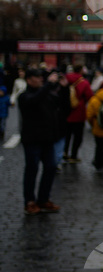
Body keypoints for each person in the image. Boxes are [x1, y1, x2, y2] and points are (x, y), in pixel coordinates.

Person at [18, 68, 62, 214]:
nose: (41, 79)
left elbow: (60, 104)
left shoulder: (46, 94)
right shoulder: (25, 96)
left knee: (50, 167)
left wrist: (63, 86)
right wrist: (48, 85)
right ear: (29, 79)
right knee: (32, 169)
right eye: (37, 77)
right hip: (32, 139)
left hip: (47, 139)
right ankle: (29, 201)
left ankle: (43, 199)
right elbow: (34, 100)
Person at [63, 71, 94, 163]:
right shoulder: (84, 82)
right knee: (77, 136)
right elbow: (89, 96)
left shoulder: (64, 80)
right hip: (79, 113)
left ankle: (64, 152)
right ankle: (73, 155)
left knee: (66, 135)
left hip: (66, 113)